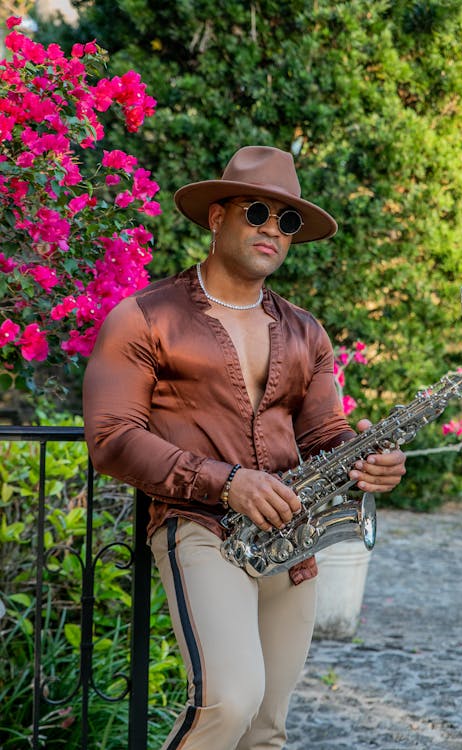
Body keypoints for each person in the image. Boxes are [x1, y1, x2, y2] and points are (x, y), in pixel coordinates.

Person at [83, 145, 406, 750]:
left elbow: (325, 438)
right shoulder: (144, 317)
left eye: (286, 222)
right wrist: (228, 482)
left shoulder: (307, 330)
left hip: (293, 536)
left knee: (265, 732)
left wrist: (372, 462)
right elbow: (112, 440)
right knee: (229, 702)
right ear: (216, 217)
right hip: (200, 526)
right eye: (257, 211)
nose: (272, 230)